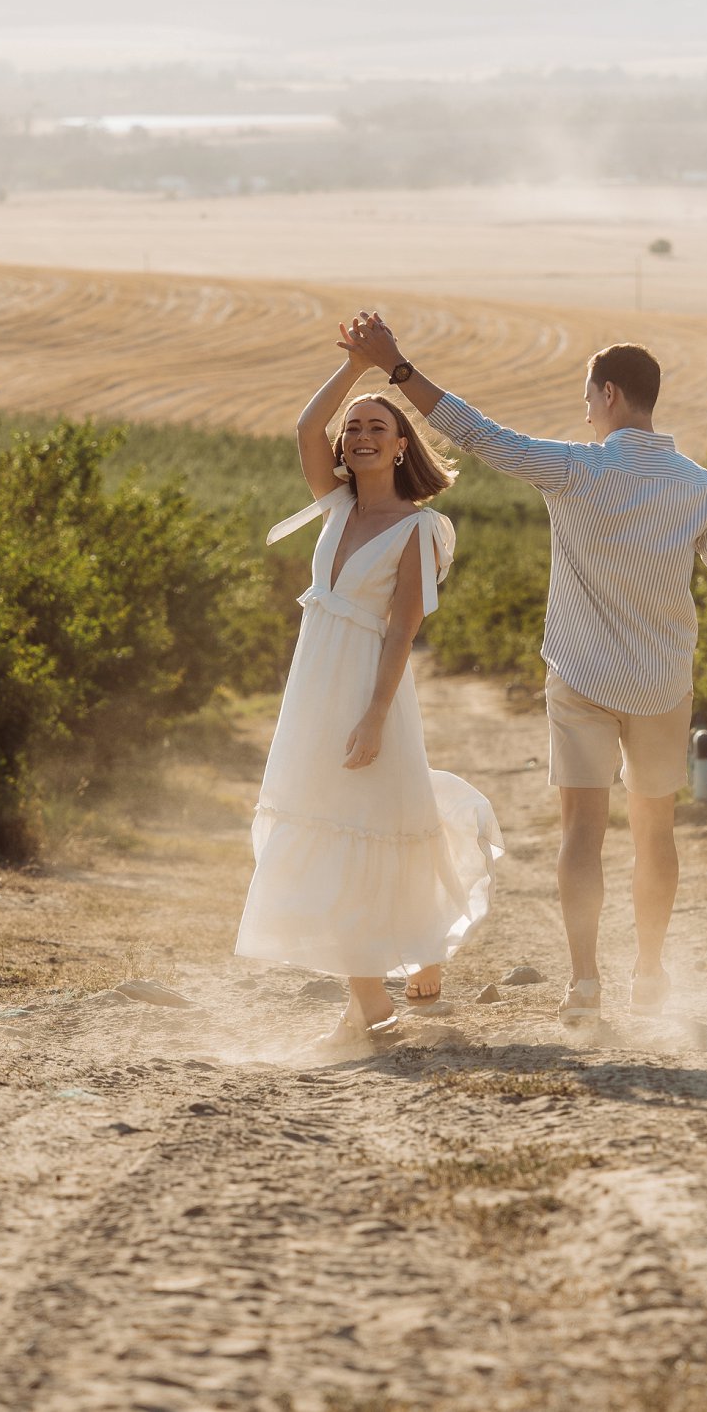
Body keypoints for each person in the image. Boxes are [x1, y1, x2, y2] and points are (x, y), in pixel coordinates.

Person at [339, 312, 707, 1022]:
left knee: (582, 830)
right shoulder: (700, 485)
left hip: (580, 676)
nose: (583, 410)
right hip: (663, 681)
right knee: (655, 829)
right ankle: (648, 970)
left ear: (609, 394)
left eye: (586, 396)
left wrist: (398, 368)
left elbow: (478, 434)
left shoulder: (575, 467)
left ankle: (584, 983)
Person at [233, 333, 503, 1045]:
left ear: (402, 447)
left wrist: (376, 715)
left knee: (366, 828)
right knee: (327, 822)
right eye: (353, 427)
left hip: (364, 688)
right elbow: (302, 429)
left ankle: (371, 1001)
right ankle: (386, 986)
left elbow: (402, 629)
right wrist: (354, 369)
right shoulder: (335, 505)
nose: (357, 437)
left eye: (375, 428)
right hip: (312, 686)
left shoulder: (417, 529)